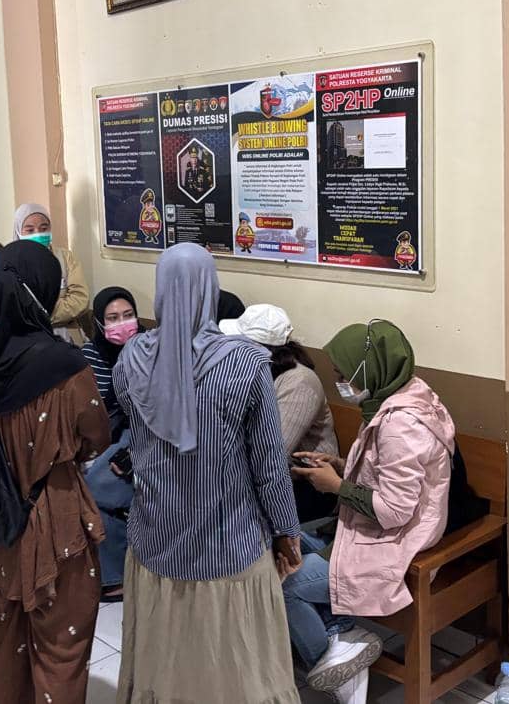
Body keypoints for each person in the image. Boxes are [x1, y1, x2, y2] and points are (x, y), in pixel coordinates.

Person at [112, 244, 302, 704]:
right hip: (230, 542)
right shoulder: (246, 363)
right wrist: (286, 532)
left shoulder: (132, 359)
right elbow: (269, 467)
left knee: (169, 657)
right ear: (210, 289)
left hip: (156, 540)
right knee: (235, 664)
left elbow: (136, 434)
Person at [0, 241, 111, 704]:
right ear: (44, 291)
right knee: (60, 647)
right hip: (55, 516)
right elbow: (96, 436)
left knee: (2, 644)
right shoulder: (66, 365)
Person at [286, 320, 456, 702]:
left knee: (282, 580)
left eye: (343, 375)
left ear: (370, 370)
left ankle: (333, 667)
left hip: (400, 539)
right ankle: (343, 641)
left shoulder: (401, 424)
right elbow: (388, 473)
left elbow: (394, 510)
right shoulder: (401, 397)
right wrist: (340, 464)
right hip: (387, 524)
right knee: (291, 542)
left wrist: (335, 486)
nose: (339, 382)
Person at [219, 303, 339, 523]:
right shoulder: (252, 373)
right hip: (262, 477)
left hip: (307, 486)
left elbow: (272, 454)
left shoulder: (299, 381)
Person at [81, 287, 142, 601]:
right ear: (100, 323)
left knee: (99, 486)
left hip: (140, 437)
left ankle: (115, 574)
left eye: (129, 315)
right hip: (99, 436)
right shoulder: (89, 356)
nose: (123, 324)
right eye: (113, 318)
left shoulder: (151, 349)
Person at [12, 204, 90, 338]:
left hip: (67, 335)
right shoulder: (11, 263)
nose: (38, 233)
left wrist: (40, 315)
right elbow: (13, 306)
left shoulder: (65, 257)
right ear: (19, 231)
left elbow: (80, 299)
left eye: (44, 228)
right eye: (30, 230)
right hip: (28, 339)